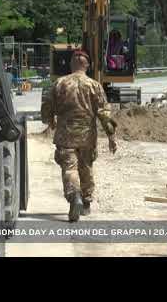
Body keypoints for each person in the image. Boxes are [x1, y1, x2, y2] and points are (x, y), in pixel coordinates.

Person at [41, 50, 118, 222]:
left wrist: (49, 120)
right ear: (87, 65)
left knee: (70, 168)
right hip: (87, 137)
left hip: (65, 136)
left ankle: (74, 195)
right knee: (86, 168)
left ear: (71, 65)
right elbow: (104, 113)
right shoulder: (94, 85)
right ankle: (86, 202)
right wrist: (111, 137)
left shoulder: (59, 83)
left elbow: (47, 104)